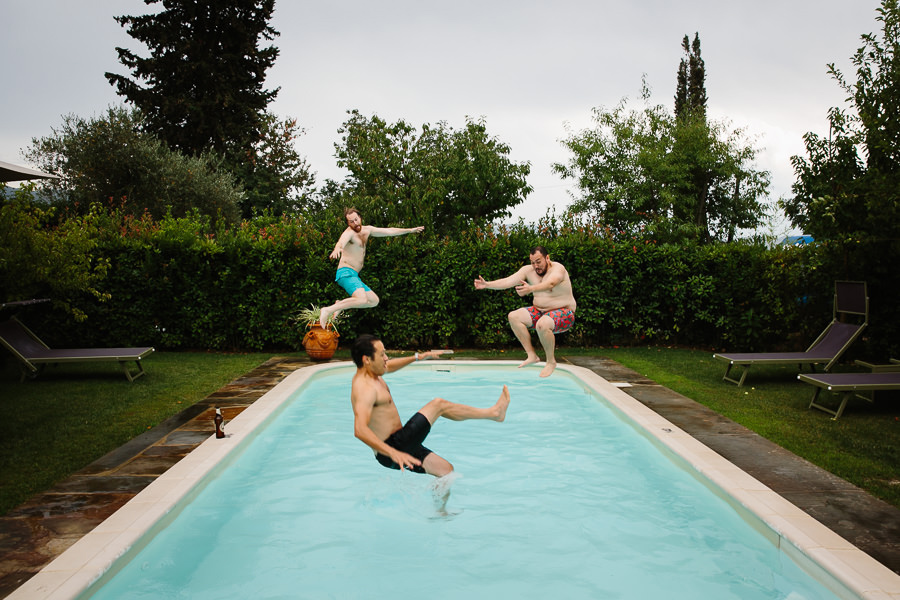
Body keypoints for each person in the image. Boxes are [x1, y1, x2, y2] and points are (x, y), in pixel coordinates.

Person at [350, 334, 510, 478]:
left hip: (400, 445)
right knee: (438, 404)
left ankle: (440, 512)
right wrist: (393, 453)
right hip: (393, 448)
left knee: (446, 471)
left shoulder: (373, 373)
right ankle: (494, 413)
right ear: (367, 359)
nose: (386, 358)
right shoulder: (365, 388)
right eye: (382, 354)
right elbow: (360, 430)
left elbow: (389, 366)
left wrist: (418, 357)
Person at [473, 246, 576, 377]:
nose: (535, 266)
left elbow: (550, 284)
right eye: (533, 262)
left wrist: (531, 289)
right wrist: (488, 285)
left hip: (564, 313)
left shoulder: (558, 269)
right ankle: (532, 355)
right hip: (540, 311)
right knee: (514, 316)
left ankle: (551, 362)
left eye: (538, 261)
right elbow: (508, 281)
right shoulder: (528, 271)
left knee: (542, 324)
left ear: (547, 258)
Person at [320, 208, 425, 328]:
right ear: (348, 223)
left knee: (374, 301)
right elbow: (341, 242)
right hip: (345, 272)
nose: (355, 223)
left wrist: (410, 230)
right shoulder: (349, 233)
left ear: (360, 217)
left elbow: (390, 231)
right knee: (361, 299)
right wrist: (337, 248)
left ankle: (340, 305)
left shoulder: (368, 230)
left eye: (356, 219)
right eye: (351, 222)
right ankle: (327, 310)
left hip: (354, 275)